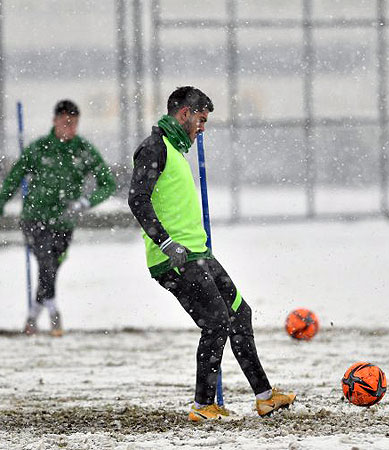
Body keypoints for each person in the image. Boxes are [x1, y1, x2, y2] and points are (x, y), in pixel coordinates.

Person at [127, 86, 296, 421]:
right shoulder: (154, 147)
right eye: (201, 119)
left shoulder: (175, 149)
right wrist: (164, 241)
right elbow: (137, 200)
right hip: (173, 259)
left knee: (240, 314)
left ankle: (265, 396)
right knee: (216, 322)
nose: (202, 127)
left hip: (198, 254)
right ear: (184, 113)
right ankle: (204, 406)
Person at [0, 99, 116, 337]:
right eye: (66, 123)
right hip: (35, 218)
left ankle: (33, 316)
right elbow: (14, 178)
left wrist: (85, 202)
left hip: (65, 223)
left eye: (74, 124)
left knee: (51, 268)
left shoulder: (83, 150)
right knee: (45, 262)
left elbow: (107, 183)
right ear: (55, 121)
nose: (70, 129)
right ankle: (54, 311)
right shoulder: (39, 149)